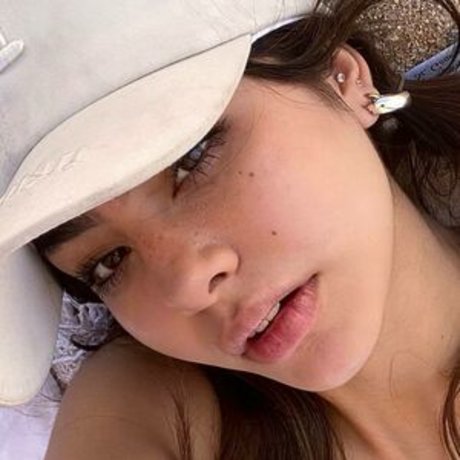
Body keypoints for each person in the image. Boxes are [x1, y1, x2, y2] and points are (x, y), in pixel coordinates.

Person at [1, 0, 459, 458]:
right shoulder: (143, 408)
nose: (187, 284)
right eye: (108, 262)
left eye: (192, 159)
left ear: (341, 78)